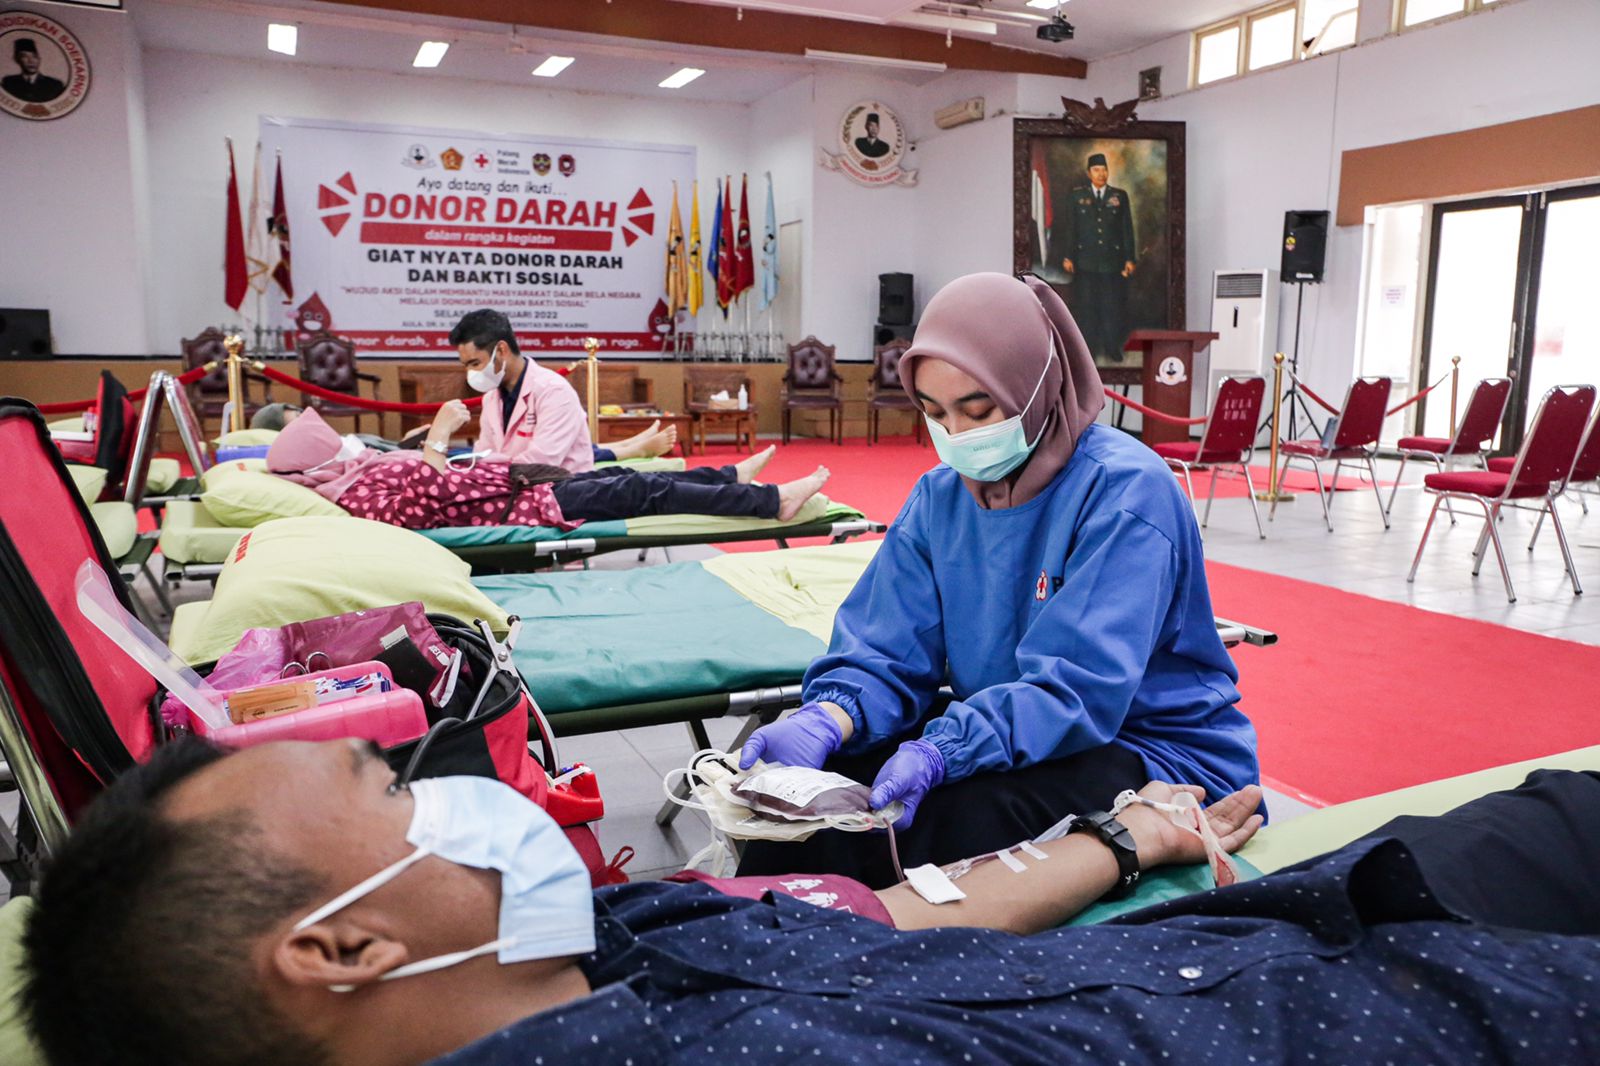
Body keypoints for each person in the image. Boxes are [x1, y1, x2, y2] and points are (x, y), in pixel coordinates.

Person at [21, 737, 1600, 1066]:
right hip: (1432, 1016)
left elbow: (904, 923)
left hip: (1290, 925)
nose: (458, 789)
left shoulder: (611, 941)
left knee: (1557, 813)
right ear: (344, 943)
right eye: (394, 791)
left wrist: (1120, 840)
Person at [735, 272, 1257, 887]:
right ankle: (742, 923)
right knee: (817, 798)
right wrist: (831, 713)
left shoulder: (1124, 493)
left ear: (1032, 384)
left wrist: (944, 750)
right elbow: (886, 645)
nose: (957, 435)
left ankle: (831, 934)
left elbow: (1076, 690)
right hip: (1011, 727)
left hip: (1147, 746)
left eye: (978, 409)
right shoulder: (941, 497)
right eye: (935, 413)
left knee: (946, 820)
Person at [264, 405, 824, 531]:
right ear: (315, 459)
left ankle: (728, 478)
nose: (340, 440)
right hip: (524, 508)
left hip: (521, 484)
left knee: (629, 480)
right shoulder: (353, 495)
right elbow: (421, 507)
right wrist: (436, 437)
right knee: (645, 489)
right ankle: (770, 502)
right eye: (326, 439)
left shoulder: (356, 470)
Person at [450, 309, 677, 472]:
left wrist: (488, 473)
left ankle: (636, 447)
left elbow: (541, 464)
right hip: (512, 487)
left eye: (475, 363)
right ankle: (633, 445)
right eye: (466, 366)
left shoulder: (553, 391)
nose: (471, 373)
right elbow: (484, 455)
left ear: (501, 350)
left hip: (562, 490)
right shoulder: (492, 398)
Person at [250, 401, 674, 463]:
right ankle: (629, 450)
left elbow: (384, 450)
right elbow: (376, 465)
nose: (305, 418)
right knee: (535, 459)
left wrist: (415, 438)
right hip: (436, 465)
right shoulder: (315, 456)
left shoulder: (332, 442)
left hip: (425, 454)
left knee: (537, 447)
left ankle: (627, 445)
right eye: (293, 419)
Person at [1050, 152, 1136, 363]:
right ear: (1089, 173)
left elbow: (1126, 229)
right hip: (1085, 261)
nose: (1101, 174)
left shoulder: (1119, 196)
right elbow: (1071, 228)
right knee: (1087, 308)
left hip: (1112, 262)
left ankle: (1112, 347)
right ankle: (1088, 350)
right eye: (1097, 170)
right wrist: (1069, 256)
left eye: (1104, 170)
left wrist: (1129, 258)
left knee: (1111, 307)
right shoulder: (1077, 197)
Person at [1, 39, 65, 104]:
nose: (31, 61)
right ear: (17, 59)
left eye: (34, 56)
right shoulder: (9, 82)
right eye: (25, 56)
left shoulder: (54, 84)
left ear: (39, 59)